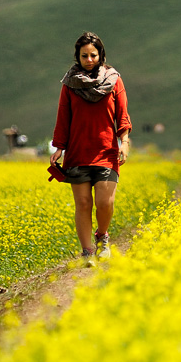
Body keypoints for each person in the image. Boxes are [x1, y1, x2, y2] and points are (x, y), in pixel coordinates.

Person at [50, 32, 132, 264]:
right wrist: (59, 147)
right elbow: (63, 116)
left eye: (93, 55)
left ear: (101, 55)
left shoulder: (114, 80)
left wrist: (124, 142)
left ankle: (102, 237)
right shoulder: (70, 83)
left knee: (105, 203)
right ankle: (87, 252)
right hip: (78, 152)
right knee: (83, 203)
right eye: (84, 55)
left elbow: (122, 115)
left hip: (106, 151)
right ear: (77, 56)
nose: (89, 59)